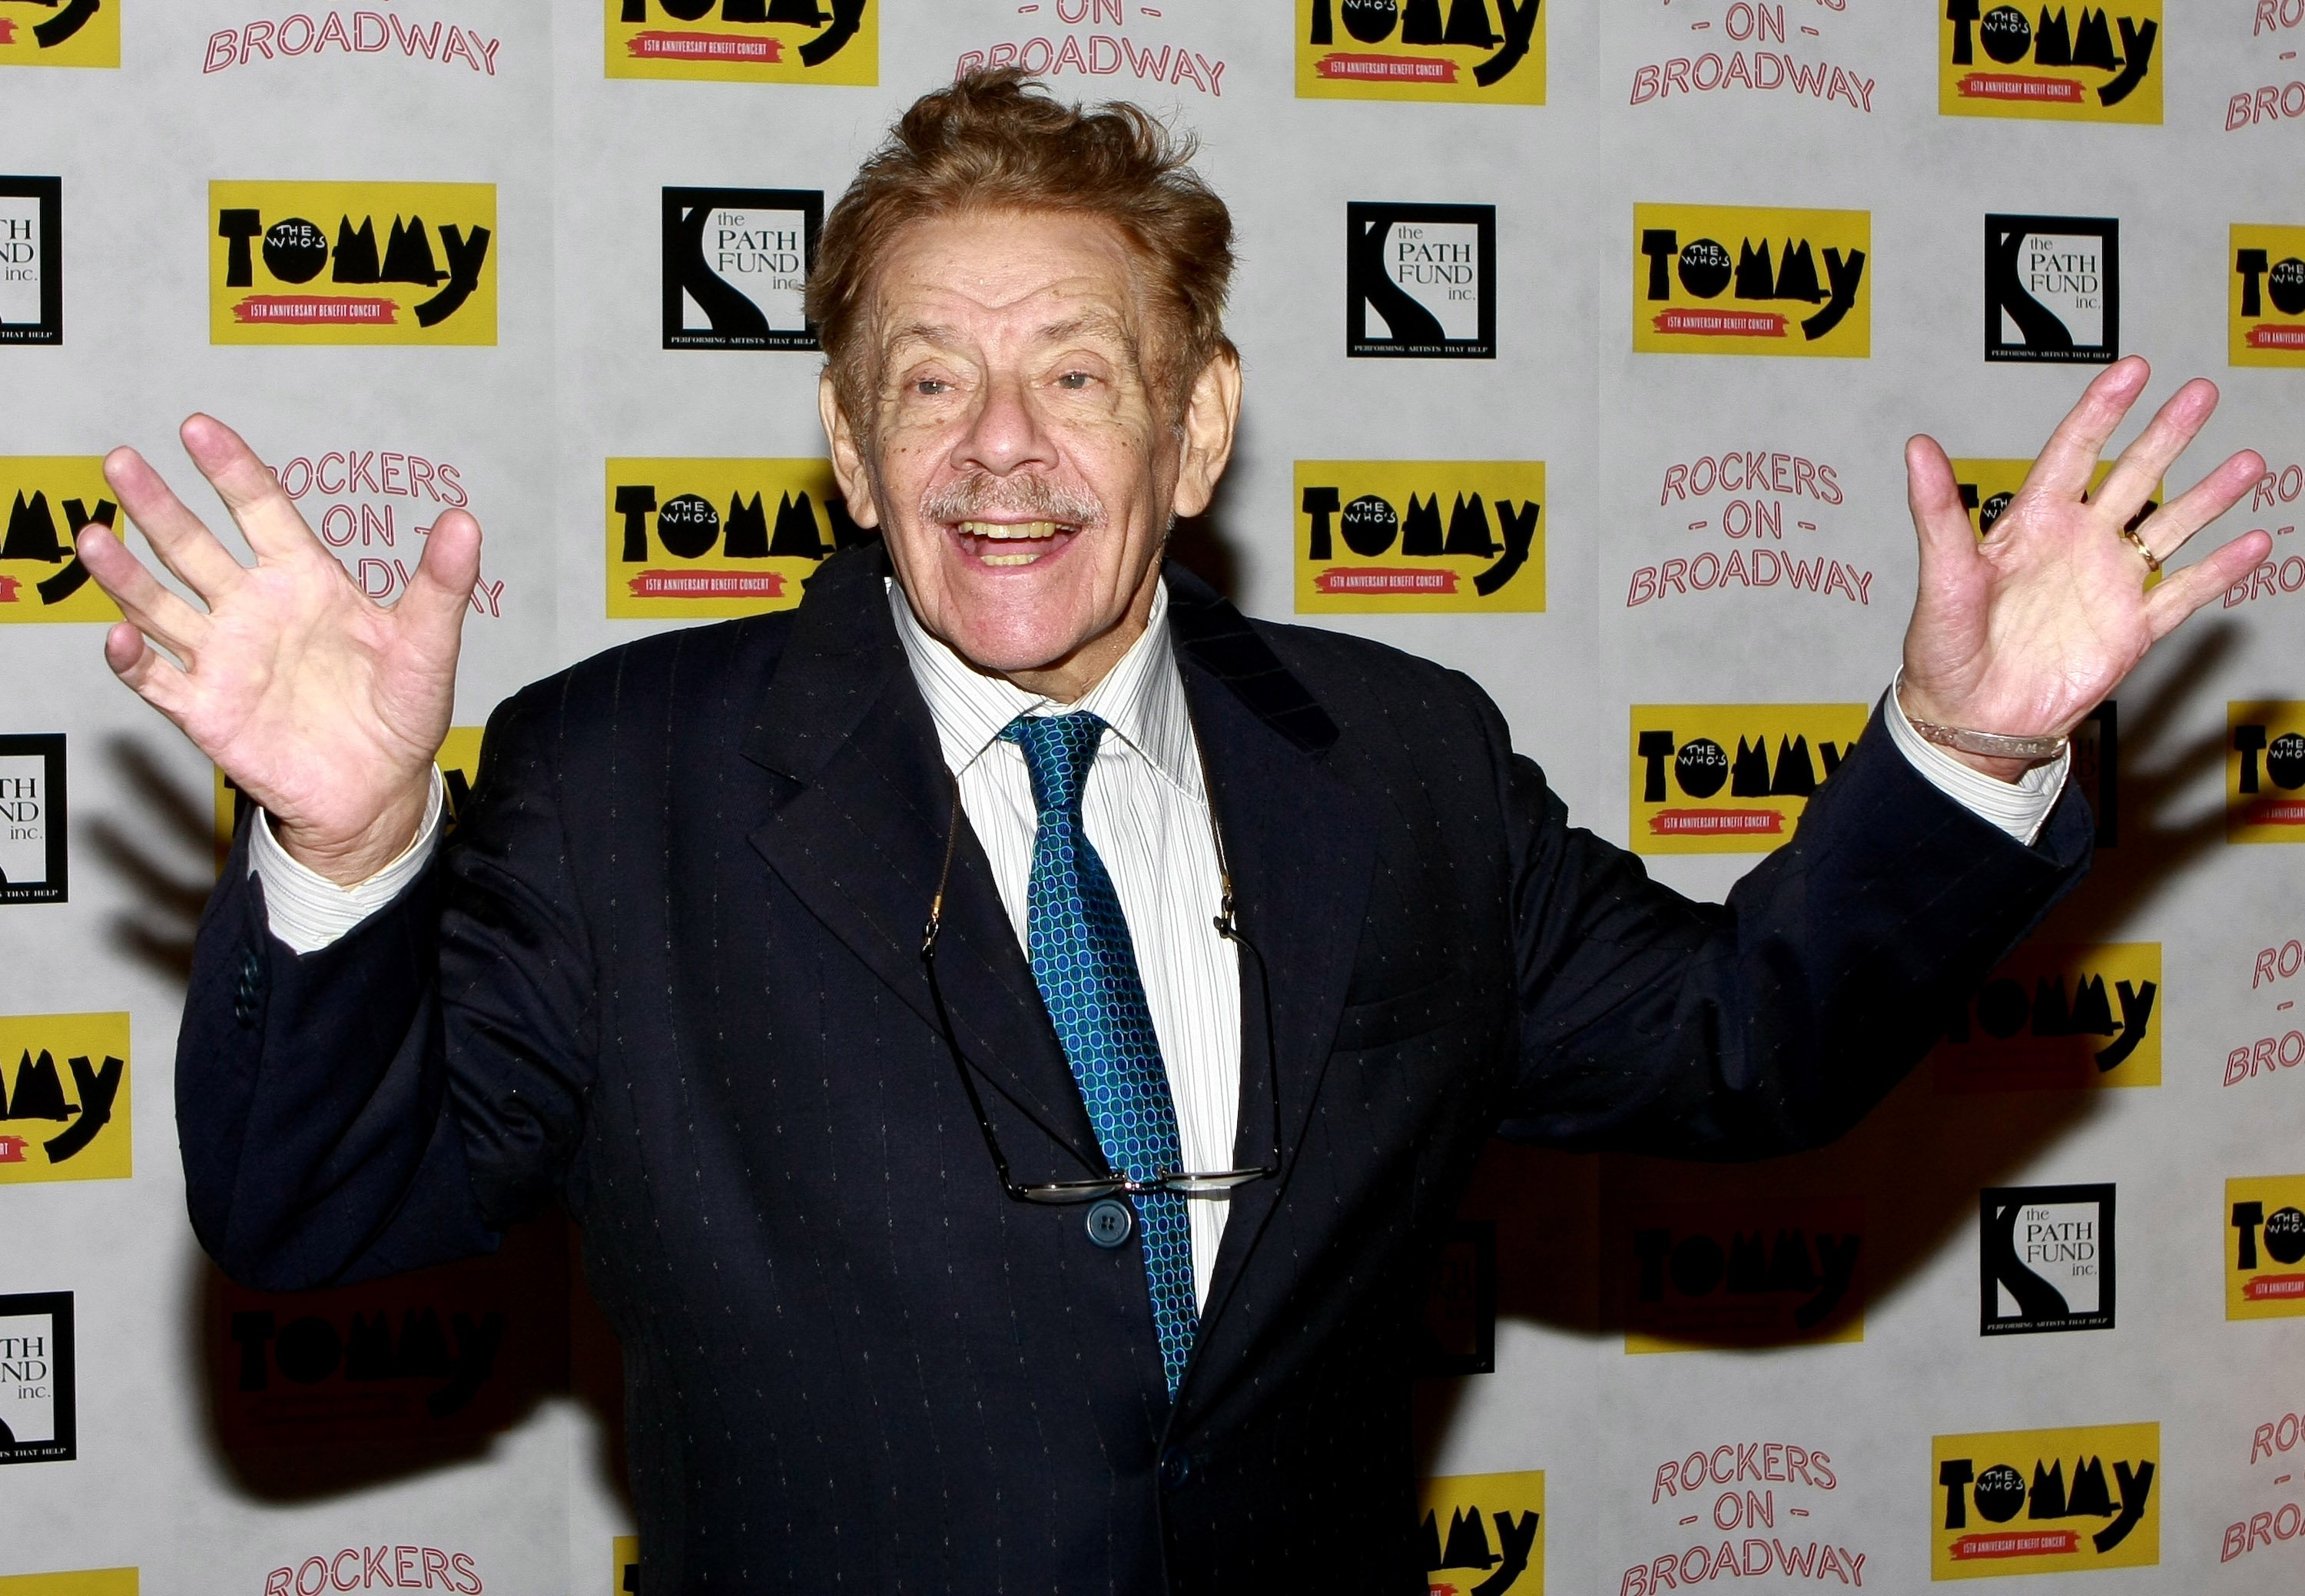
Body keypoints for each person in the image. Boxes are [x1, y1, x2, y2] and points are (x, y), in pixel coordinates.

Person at [81, 73, 2266, 1595]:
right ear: (847, 451)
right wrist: (350, 850)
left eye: (1078, 375)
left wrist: (1962, 751)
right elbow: (311, 1217)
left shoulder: (1401, 764)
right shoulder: (620, 783)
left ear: (1199, 421)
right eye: (926, 380)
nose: (999, 449)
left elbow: (1744, 1051)